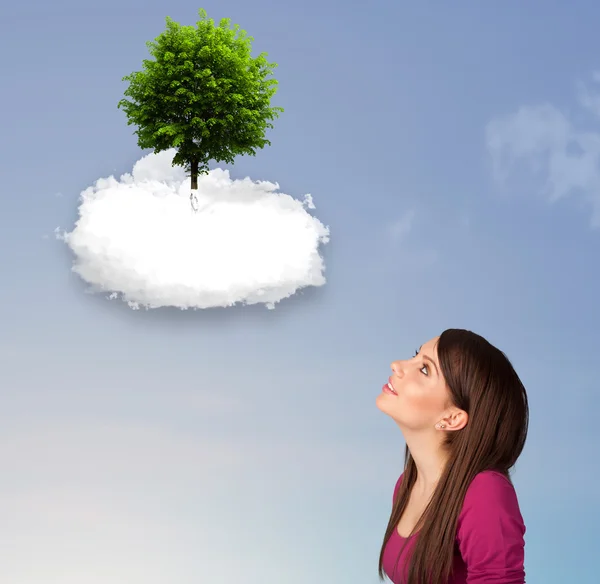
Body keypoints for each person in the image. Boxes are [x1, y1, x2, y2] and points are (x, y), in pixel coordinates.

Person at [376, 329, 529, 584]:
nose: (398, 366)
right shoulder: (406, 485)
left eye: (425, 369)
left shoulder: (484, 493)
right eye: (416, 356)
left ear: (452, 418)